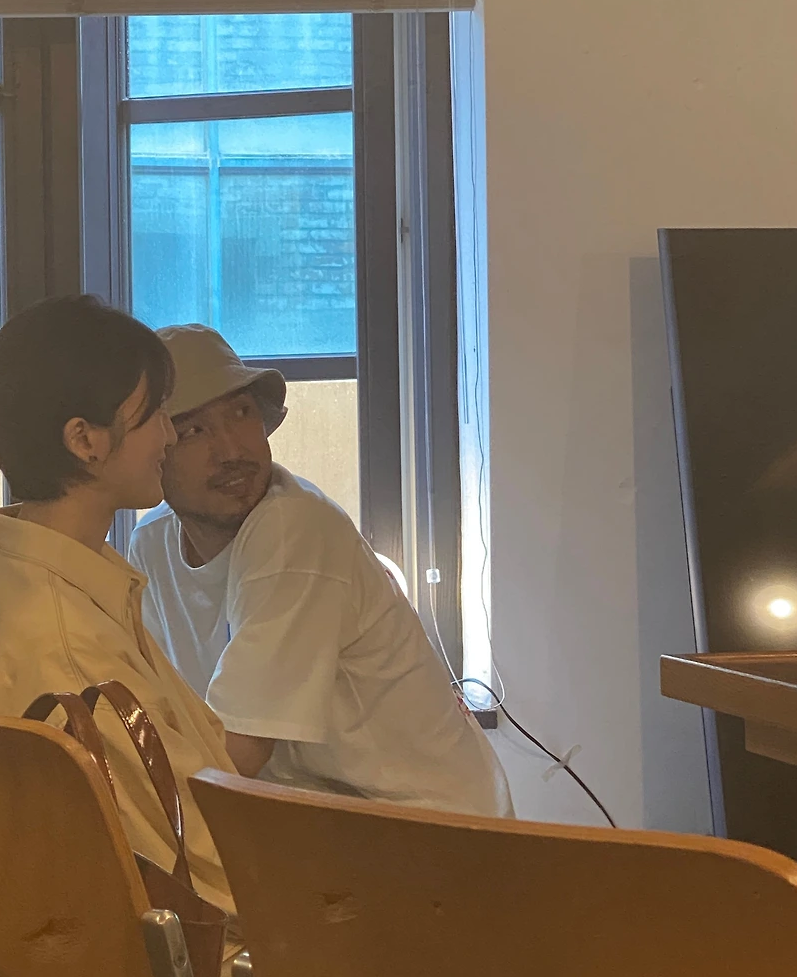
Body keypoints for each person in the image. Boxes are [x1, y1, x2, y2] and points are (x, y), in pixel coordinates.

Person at [0, 296, 248, 977]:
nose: (171, 436)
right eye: (154, 417)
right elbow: (201, 868)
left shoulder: (60, 574)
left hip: (142, 954)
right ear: (84, 440)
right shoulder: (63, 636)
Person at [131, 324, 513, 818]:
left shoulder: (294, 528)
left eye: (242, 413)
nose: (232, 450)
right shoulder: (151, 543)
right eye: (193, 431)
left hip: (433, 825)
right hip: (321, 819)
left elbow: (236, 755)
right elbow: (164, 710)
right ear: (153, 450)